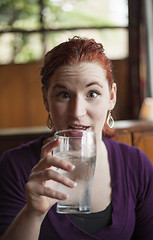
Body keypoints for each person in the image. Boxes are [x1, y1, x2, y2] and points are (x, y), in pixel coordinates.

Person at [0, 36, 153, 240]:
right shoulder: (15, 166)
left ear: (112, 97)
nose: (77, 112)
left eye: (92, 93)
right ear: (46, 100)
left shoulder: (136, 164)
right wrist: (33, 214)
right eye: (63, 95)